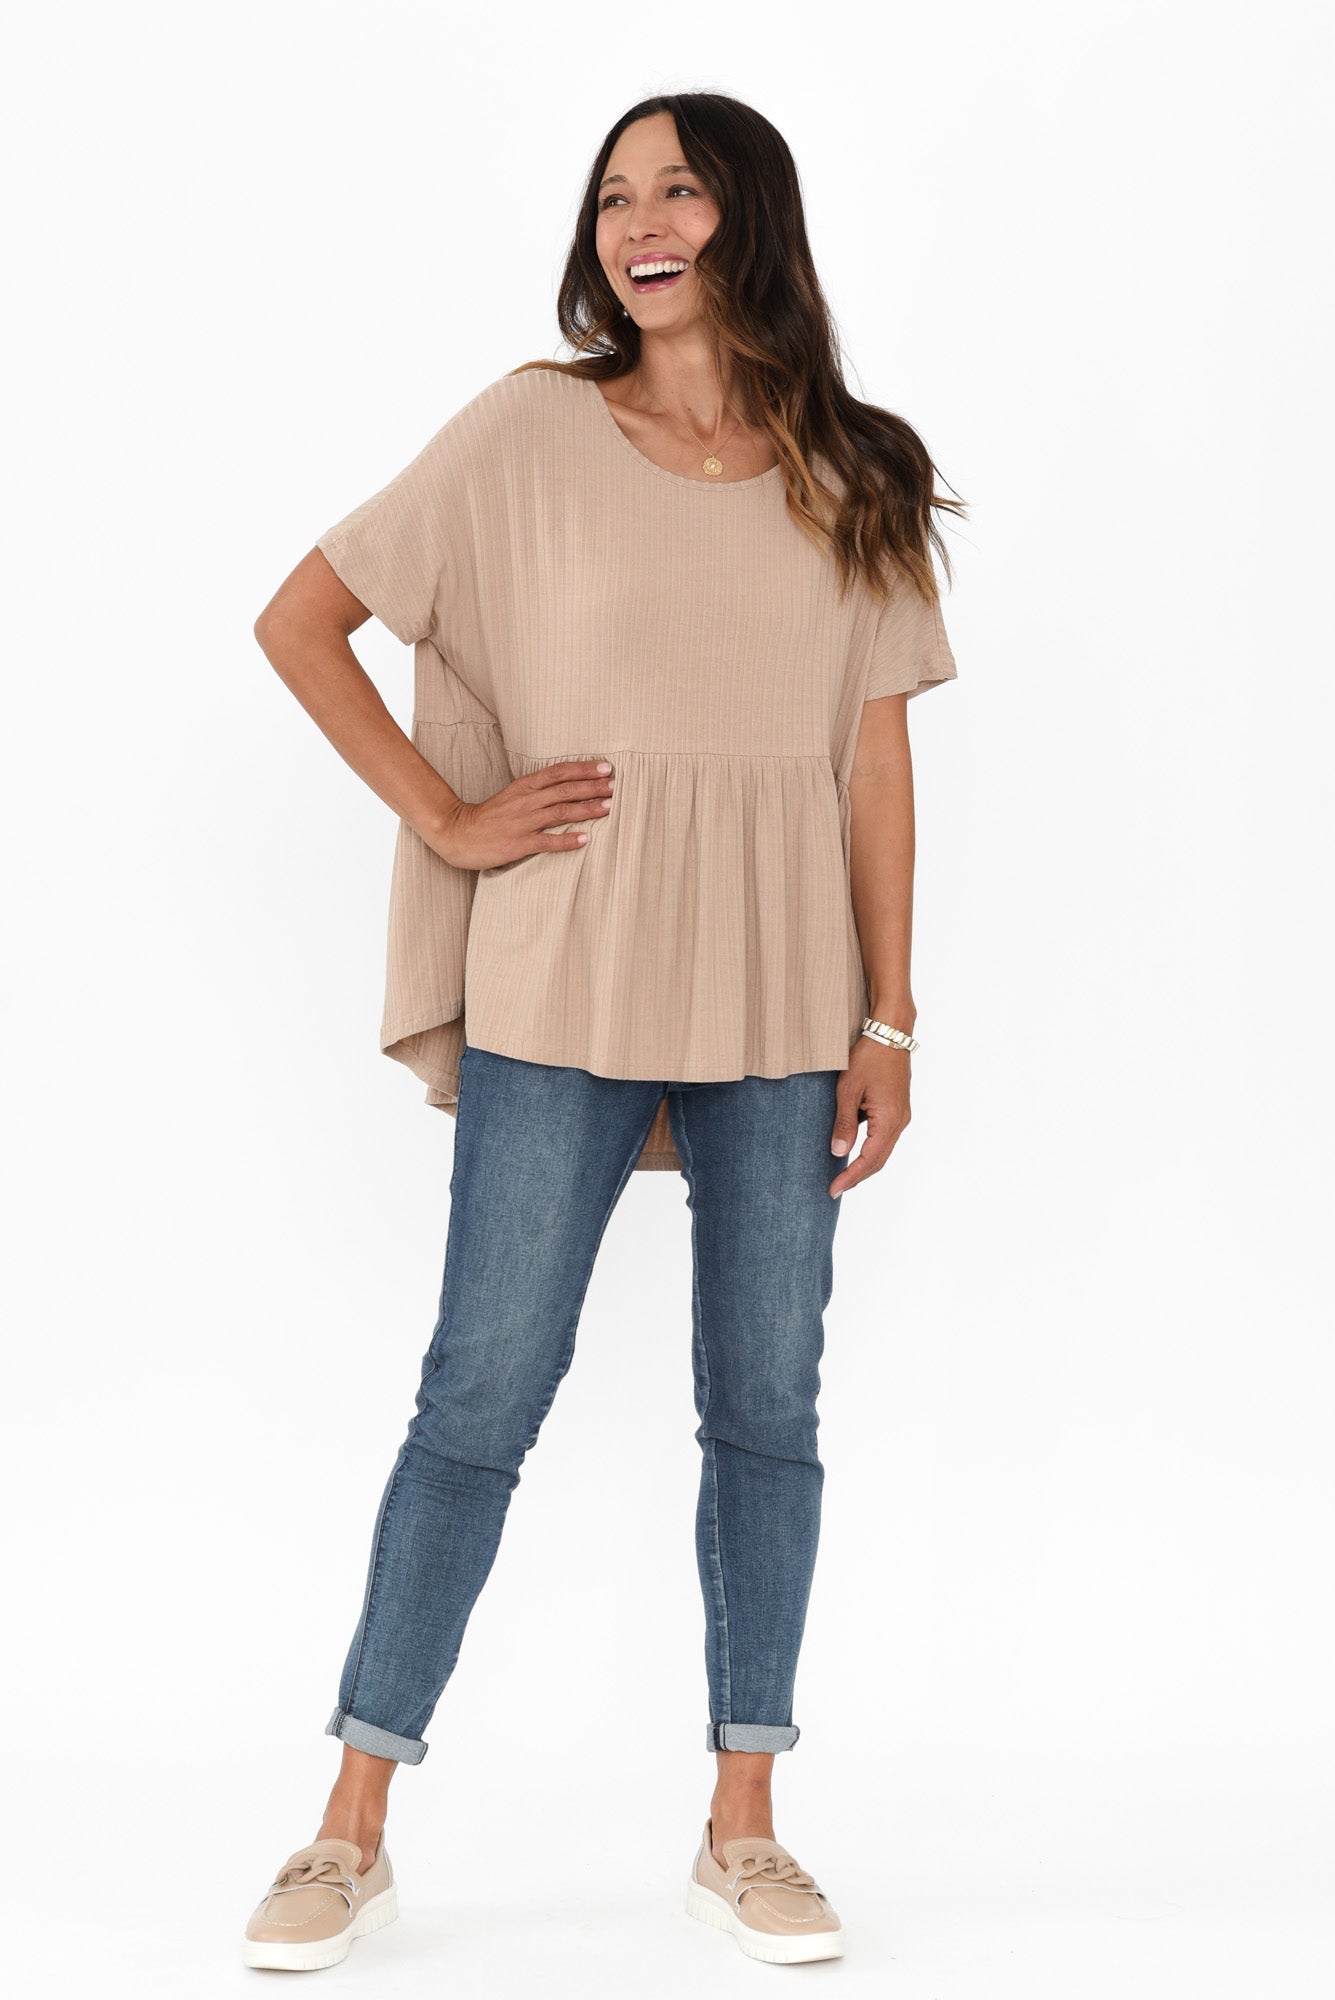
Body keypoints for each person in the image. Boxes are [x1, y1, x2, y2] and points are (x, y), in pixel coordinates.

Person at [244, 90, 964, 1972]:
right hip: (563, 976)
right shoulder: (528, 430)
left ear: (751, 220)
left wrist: (890, 1018)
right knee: (481, 1389)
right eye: (616, 197)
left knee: (768, 1407)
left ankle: (746, 1824)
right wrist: (447, 814)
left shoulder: (857, 471)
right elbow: (303, 619)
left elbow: (875, 767)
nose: (641, 224)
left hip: (784, 993)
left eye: (681, 192)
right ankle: (349, 1826)